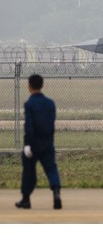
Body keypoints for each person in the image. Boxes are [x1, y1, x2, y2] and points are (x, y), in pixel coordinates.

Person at [15, 74, 62, 210]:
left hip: (34, 142)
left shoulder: (29, 104)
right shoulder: (50, 103)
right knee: (51, 168)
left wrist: (28, 144)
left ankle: (26, 199)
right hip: (47, 141)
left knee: (29, 171)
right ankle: (56, 192)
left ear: (29, 86)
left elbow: (29, 125)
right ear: (42, 85)